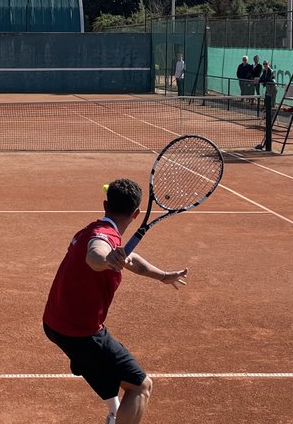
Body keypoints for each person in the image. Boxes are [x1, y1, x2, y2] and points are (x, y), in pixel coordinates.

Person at [43, 179, 188, 424]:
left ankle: (114, 412)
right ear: (136, 214)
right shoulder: (103, 237)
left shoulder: (92, 229)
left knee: (99, 365)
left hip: (54, 323)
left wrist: (163, 276)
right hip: (81, 333)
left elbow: (129, 258)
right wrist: (106, 260)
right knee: (141, 386)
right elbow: (95, 255)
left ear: (105, 204)